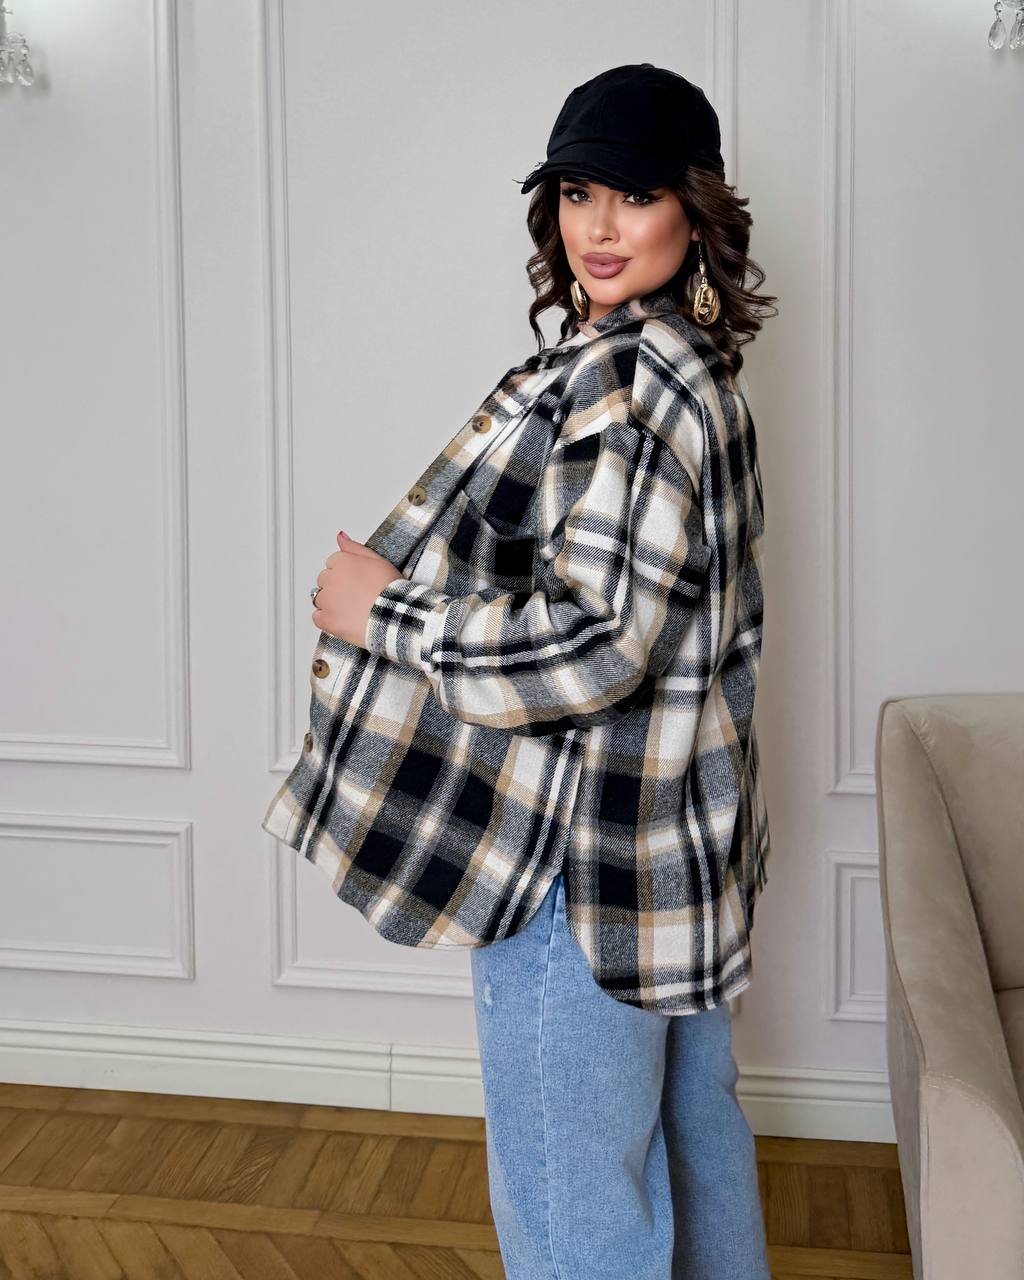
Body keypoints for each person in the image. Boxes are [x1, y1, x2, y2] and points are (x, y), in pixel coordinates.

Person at [262, 61, 777, 1280]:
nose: (599, 226)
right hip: (670, 857)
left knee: (573, 1213)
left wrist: (388, 613)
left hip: (573, 867)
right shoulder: (687, 367)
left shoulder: (631, 380)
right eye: (577, 191)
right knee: (693, 1152)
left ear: (693, 208)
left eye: (636, 195)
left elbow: (598, 642)